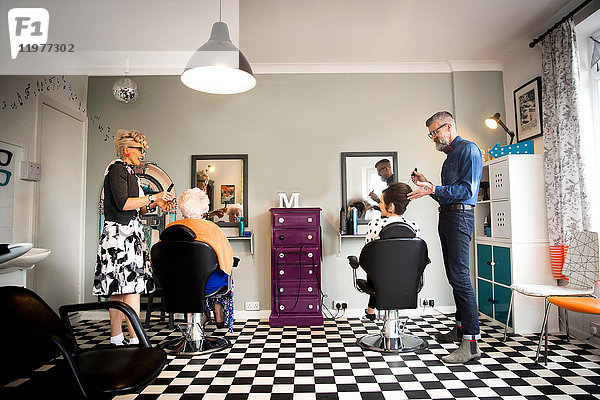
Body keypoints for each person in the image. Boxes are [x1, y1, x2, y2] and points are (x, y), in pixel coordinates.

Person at [408, 111, 483, 364]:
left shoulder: (469, 150)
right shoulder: (450, 157)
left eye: (434, 132)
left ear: (448, 126)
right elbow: (445, 194)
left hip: (461, 217)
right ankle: (460, 329)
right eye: (430, 134)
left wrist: (434, 188)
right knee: (454, 276)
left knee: (461, 277)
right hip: (448, 216)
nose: (433, 137)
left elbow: (466, 190)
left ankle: (471, 344)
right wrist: (428, 185)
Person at [93, 129, 173, 346]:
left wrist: (155, 203)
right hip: (120, 236)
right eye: (140, 150)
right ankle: (135, 338)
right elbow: (123, 204)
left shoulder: (129, 173)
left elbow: (138, 209)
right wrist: (153, 196)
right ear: (126, 150)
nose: (142, 154)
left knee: (119, 289)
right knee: (130, 287)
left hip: (129, 233)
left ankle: (118, 337)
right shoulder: (117, 170)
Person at [166, 188, 235, 331]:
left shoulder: (170, 228)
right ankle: (217, 310)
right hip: (208, 284)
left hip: (176, 284)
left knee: (193, 277)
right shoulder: (212, 229)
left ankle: (202, 314)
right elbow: (226, 259)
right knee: (223, 274)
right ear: (204, 207)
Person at [363, 182, 420, 321]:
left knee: (378, 266)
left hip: (380, 282)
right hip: (408, 282)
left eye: (381, 202)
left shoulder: (375, 224)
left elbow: (368, 255)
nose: (380, 205)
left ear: (391, 206)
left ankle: (371, 309)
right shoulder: (414, 226)